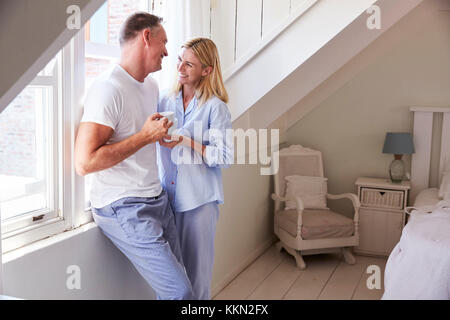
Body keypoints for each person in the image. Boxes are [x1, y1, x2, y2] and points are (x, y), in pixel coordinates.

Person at [74, 12, 192, 300]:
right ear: (146, 37)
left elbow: (140, 136)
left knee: (182, 285)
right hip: (123, 205)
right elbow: (84, 163)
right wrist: (144, 137)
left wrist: (158, 136)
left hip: (157, 198)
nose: (167, 51)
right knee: (180, 292)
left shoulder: (150, 85)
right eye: (163, 42)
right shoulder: (106, 90)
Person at [158, 37, 233, 300]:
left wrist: (188, 141)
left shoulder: (215, 108)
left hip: (199, 202)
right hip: (167, 199)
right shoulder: (164, 101)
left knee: (196, 279)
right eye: (180, 60)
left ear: (206, 70)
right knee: (168, 279)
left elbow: (224, 157)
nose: (180, 67)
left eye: (189, 64)